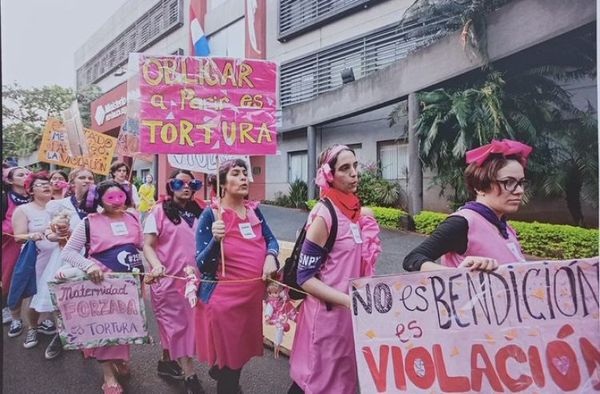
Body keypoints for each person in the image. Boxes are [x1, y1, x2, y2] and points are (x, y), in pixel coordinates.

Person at [288, 144, 381, 394]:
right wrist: (348, 301)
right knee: (316, 382)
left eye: (355, 166)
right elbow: (305, 277)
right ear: (329, 175)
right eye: (344, 168)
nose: (354, 173)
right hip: (325, 319)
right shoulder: (324, 215)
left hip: (348, 319)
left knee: (341, 383)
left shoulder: (353, 212)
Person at [195, 159, 279, 394]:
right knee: (231, 367)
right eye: (236, 173)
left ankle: (223, 370)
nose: (244, 177)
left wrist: (271, 256)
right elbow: (203, 265)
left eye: (245, 173)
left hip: (250, 300)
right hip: (224, 302)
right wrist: (215, 240)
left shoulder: (254, 209)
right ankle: (227, 382)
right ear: (222, 183)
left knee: (240, 354)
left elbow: (271, 239)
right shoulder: (210, 215)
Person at [61, 180, 144, 394]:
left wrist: (153, 266)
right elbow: (68, 252)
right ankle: (108, 375)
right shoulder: (89, 222)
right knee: (106, 327)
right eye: (110, 198)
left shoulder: (134, 217)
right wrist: (88, 266)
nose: (117, 202)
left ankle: (119, 358)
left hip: (130, 284)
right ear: (99, 200)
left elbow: (143, 246)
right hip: (100, 284)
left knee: (125, 325)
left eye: (120, 197)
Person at [403, 139, 532, 273]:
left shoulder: (503, 225)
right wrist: (459, 274)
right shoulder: (462, 223)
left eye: (521, 182)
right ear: (480, 187)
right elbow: (413, 259)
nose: (519, 191)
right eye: (508, 182)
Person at [143, 169, 204, 393]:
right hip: (168, 282)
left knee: (186, 327)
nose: (186, 187)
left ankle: (166, 363)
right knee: (178, 328)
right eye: (180, 184)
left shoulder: (202, 212)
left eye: (191, 184)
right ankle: (190, 376)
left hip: (195, 282)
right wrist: (156, 265)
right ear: (171, 186)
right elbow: (148, 245)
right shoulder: (158, 212)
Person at [42, 167, 95, 360]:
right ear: (72, 183)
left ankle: (89, 340)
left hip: (93, 258)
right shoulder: (60, 205)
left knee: (90, 300)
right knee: (65, 300)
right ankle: (61, 336)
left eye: (90, 177)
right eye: (82, 177)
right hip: (67, 256)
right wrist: (56, 235)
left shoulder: (100, 205)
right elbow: (47, 232)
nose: (87, 180)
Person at [11, 172, 59, 349]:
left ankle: (51, 324)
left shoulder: (59, 207)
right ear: (30, 190)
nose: (46, 186)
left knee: (58, 295)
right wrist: (31, 235)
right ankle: (32, 327)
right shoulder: (23, 210)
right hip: (37, 259)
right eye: (40, 184)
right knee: (36, 296)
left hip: (59, 257)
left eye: (48, 183)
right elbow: (18, 236)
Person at [2, 166, 31, 331]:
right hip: (10, 245)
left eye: (27, 173)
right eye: (21, 175)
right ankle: (10, 310)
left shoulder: (35, 196)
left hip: (34, 243)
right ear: (10, 180)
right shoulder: (4, 198)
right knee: (9, 278)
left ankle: (40, 318)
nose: (26, 176)